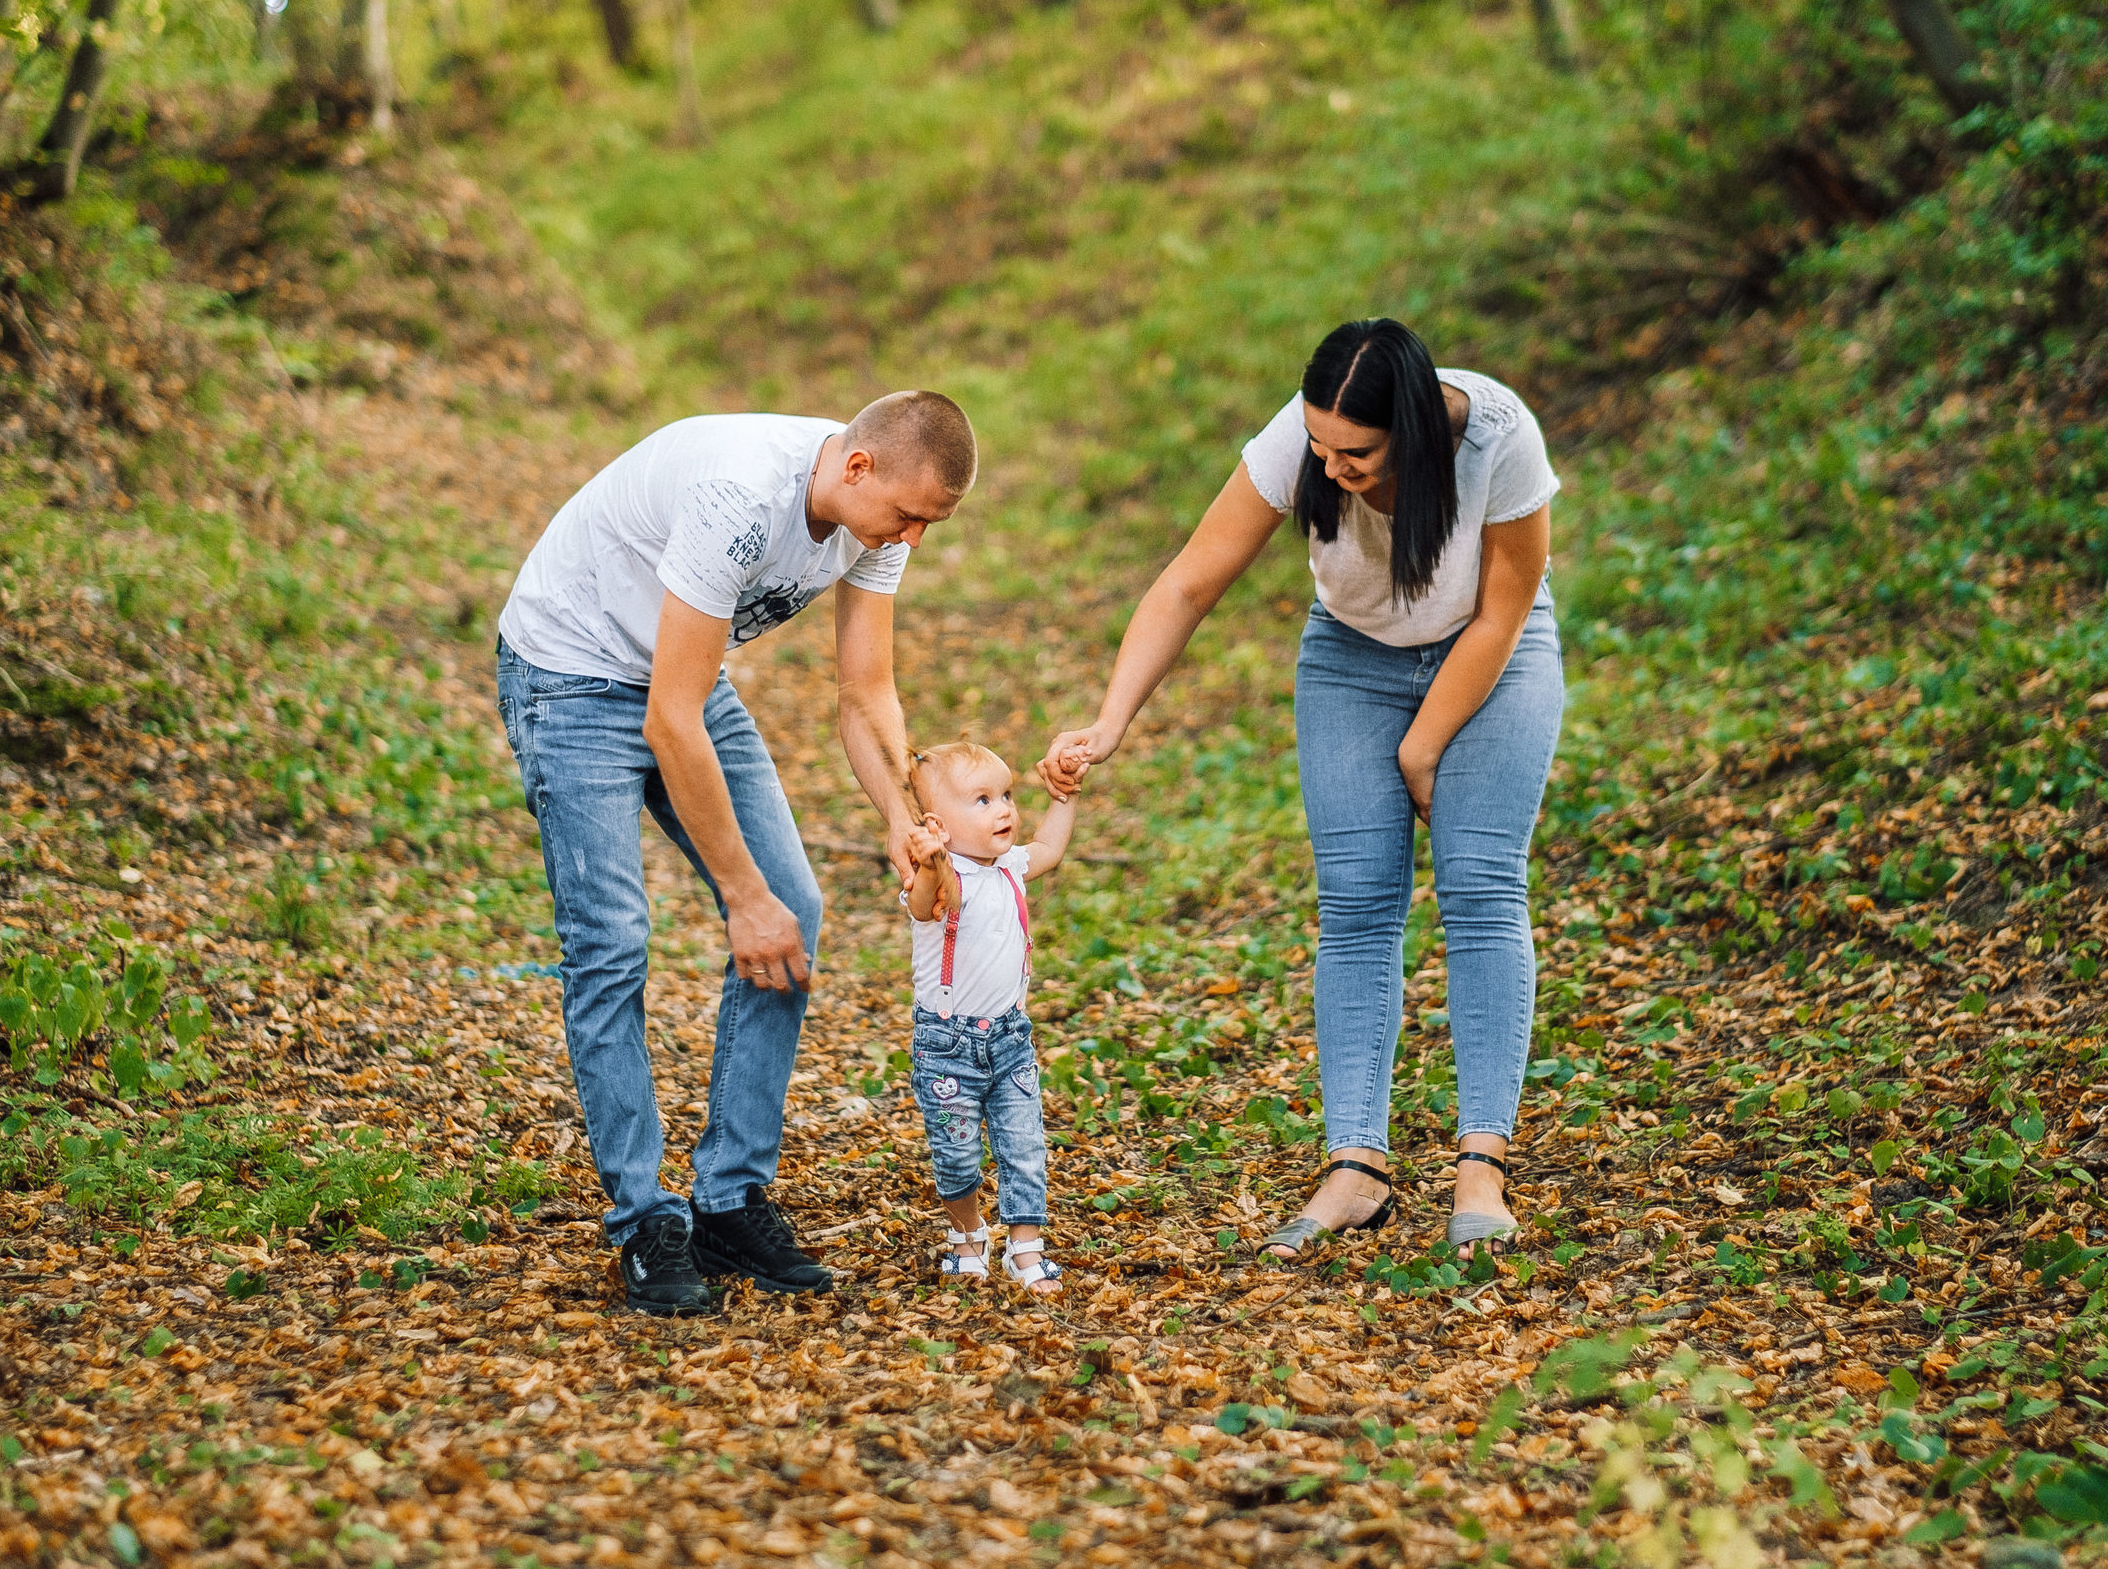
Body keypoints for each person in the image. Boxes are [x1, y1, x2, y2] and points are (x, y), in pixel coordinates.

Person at [1041, 319, 1563, 1264]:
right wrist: (1111, 720)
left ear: (1412, 429)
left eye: (1355, 452)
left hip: (1493, 653)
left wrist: (1423, 745)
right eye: (1321, 445)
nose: (1331, 465)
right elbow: (1188, 584)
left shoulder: (1499, 436)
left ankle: (1481, 1166)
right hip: (1351, 659)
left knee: (1482, 887)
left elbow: (1504, 610)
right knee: (1356, 903)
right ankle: (1355, 1166)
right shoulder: (1306, 440)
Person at [496, 392, 973, 1316]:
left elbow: (866, 690)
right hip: (568, 675)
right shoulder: (740, 497)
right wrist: (740, 896)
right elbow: (669, 723)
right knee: (611, 944)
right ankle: (644, 1220)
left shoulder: (876, 521)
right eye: (910, 514)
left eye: (931, 523)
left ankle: (726, 1199)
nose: (914, 536)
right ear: (858, 467)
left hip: (680, 676)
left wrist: (899, 813)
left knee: (798, 904)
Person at [900, 741, 1080, 1294]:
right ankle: (967, 1235)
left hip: (1009, 1038)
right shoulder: (940, 876)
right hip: (947, 1044)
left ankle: (1025, 1247)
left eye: (1006, 795)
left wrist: (1065, 796)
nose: (1003, 809)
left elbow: (1049, 846)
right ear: (938, 825)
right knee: (956, 1153)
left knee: (1024, 1146)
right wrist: (931, 860)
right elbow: (928, 902)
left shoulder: (1010, 867)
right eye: (982, 800)